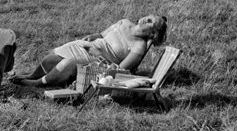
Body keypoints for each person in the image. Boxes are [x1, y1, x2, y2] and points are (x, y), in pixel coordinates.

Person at [11, 15, 168, 88]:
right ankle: (32, 75)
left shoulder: (138, 46)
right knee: (52, 57)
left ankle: (38, 83)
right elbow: (103, 34)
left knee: (67, 63)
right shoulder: (124, 23)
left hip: (100, 60)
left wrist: (107, 68)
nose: (146, 19)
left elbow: (122, 69)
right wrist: (94, 36)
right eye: (149, 16)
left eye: (151, 22)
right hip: (90, 45)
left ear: (152, 33)